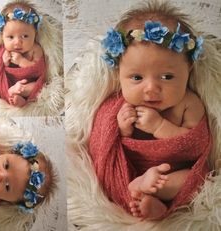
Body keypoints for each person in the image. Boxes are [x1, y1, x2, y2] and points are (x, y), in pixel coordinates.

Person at [89, 0, 212, 220]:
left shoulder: (188, 103)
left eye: (167, 77)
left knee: (196, 178)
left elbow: (196, 145)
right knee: (116, 176)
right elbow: (111, 147)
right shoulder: (122, 107)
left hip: (173, 173)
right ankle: (142, 192)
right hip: (133, 170)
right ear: (119, 75)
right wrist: (123, 130)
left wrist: (160, 126)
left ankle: (149, 194)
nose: (151, 89)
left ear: (188, 70)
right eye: (137, 77)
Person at [0, 1, 46, 107]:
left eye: (25, 36)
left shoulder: (35, 49)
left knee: (39, 87)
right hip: (10, 82)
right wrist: (5, 62)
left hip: (29, 82)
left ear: (35, 34)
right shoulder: (4, 51)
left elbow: (40, 70)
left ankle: (21, 92)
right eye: (10, 37)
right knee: (0, 83)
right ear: (2, 36)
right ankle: (12, 93)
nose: (17, 42)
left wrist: (21, 61)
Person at [0, 138, 57, 213]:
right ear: (9, 153)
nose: (0, 175)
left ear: (10, 201)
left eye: (7, 186)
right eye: (6, 165)